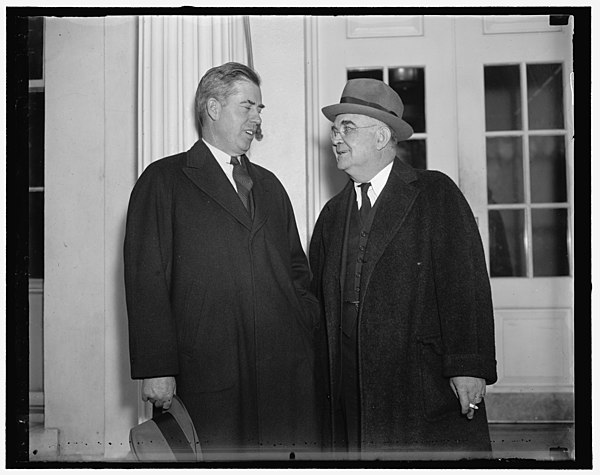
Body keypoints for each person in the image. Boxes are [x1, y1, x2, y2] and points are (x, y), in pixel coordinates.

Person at [124, 62, 323, 458]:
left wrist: (305, 330)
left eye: (260, 109)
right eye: (247, 107)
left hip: (282, 370)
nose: (256, 119)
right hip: (207, 373)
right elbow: (146, 279)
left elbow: (297, 271)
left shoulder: (269, 185)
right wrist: (156, 367)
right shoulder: (163, 180)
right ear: (213, 108)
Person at [309, 78, 497, 459]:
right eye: (334, 128)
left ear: (381, 137)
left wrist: (468, 366)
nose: (335, 138)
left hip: (417, 383)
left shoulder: (434, 194)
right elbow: (315, 302)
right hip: (347, 384)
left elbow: (466, 286)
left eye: (348, 127)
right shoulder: (332, 215)